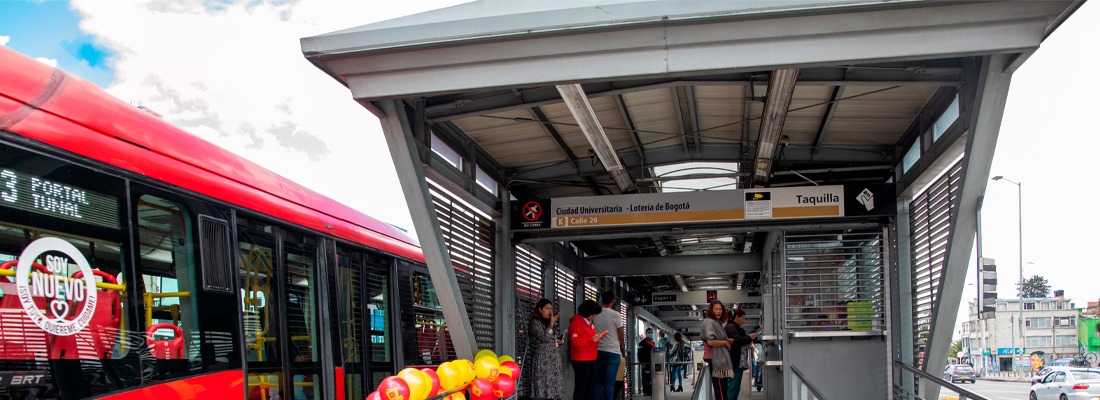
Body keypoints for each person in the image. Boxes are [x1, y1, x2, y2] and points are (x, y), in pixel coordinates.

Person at [529, 299, 565, 400]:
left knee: (554, 389)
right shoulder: (535, 323)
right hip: (543, 361)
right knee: (543, 387)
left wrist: (559, 341)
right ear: (540, 310)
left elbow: (552, 339)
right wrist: (552, 323)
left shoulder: (550, 324)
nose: (550, 311)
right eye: (547, 308)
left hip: (554, 360)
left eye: (551, 308)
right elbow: (544, 337)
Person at [570, 299, 605, 400]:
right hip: (581, 359)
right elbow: (575, 342)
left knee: (590, 388)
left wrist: (597, 338)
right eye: (593, 314)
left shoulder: (590, 323)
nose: (594, 316)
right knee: (581, 388)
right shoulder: (577, 322)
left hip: (591, 358)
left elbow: (590, 339)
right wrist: (592, 339)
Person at [592, 292, 624, 400]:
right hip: (613, 352)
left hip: (598, 351)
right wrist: (621, 344)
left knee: (597, 382)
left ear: (601, 301)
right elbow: (621, 334)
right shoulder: (616, 315)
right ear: (613, 301)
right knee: (609, 383)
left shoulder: (595, 314)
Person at [701, 301, 734, 400]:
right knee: (720, 389)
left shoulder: (717, 323)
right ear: (711, 310)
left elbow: (717, 339)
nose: (718, 311)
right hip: (715, 359)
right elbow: (711, 342)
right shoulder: (708, 322)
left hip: (719, 359)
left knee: (723, 389)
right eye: (716, 309)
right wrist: (725, 342)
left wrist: (727, 341)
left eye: (720, 309)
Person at [724, 309, 756, 400]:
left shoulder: (734, 327)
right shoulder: (731, 327)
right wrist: (749, 337)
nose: (744, 321)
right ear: (737, 317)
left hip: (736, 361)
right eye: (743, 318)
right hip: (734, 361)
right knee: (733, 387)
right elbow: (737, 340)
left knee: (735, 387)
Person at [637, 328, 656, 396]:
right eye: (649, 332)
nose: (650, 334)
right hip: (645, 363)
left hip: (652, 363)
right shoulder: (642, 343)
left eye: (651, 332)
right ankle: (645, 391)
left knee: (651, 377)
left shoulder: (652, 343)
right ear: (646, 333)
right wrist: (642, 362)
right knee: (645, 377)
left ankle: (650, 390)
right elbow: (640, 353)